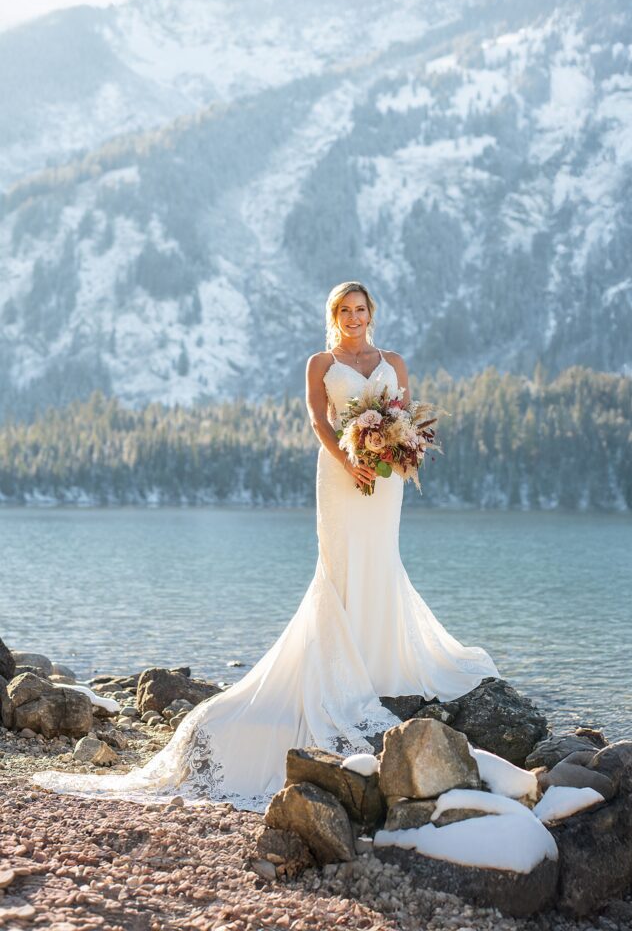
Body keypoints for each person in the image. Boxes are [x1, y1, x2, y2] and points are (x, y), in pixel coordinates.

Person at [33, 280, 499, 812]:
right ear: (334, 315)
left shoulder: (393, 359)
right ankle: (341, 670)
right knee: (341, 564)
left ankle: (380, 663)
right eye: (344, 310)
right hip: (341, 475)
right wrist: (350, 459)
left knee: (381, 560)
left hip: (385, 481)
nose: (353, 316)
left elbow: (406, 416)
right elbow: (318, 420)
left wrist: (397, 447)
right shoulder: (320, 364)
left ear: (373, 313)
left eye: (360, 309)